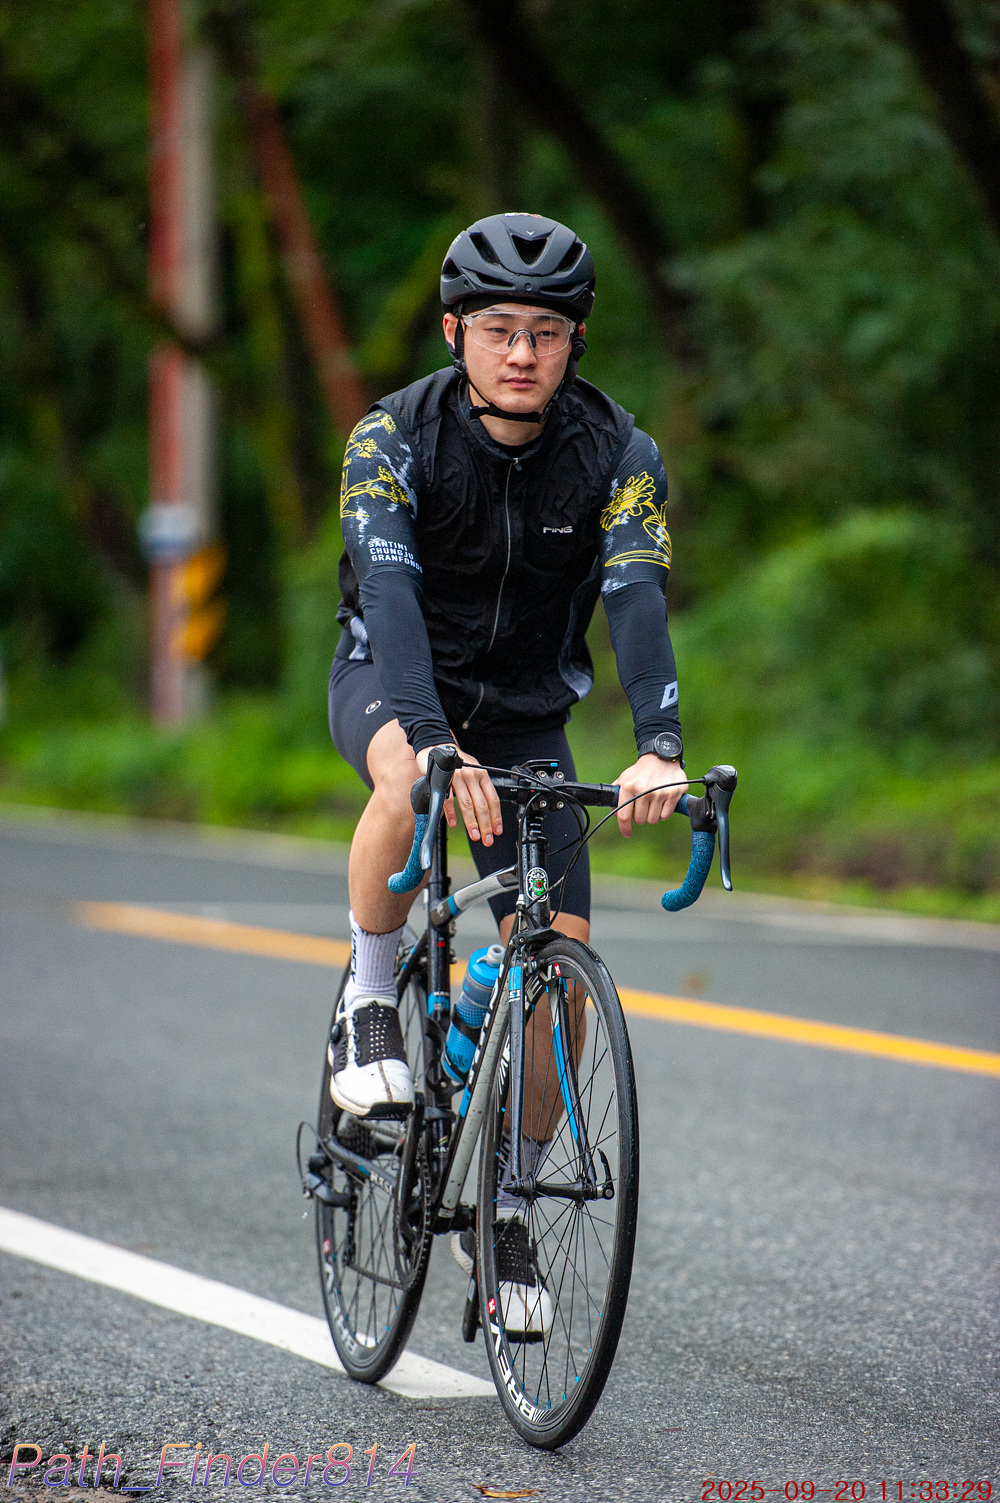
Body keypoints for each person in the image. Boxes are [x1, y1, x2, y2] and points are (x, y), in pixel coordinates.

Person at [327, 212, 686, 1330]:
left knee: (559, 969)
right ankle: (371, 997)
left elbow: (635, 597)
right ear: (455, 333)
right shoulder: (391, 437)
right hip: (396, 681)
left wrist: (659, 744)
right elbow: (388, 595)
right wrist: (435, 740)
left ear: (576, 340)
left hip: (528, 713)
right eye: (497, 329)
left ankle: (508, 1211)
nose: (522, 352)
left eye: (545, 331)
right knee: (405, 779)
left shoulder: (619, 453)